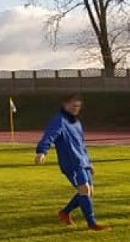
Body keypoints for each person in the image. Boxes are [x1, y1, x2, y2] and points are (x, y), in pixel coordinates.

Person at [35, 93, 107, 230]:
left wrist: (89, 161)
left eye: (78, 106)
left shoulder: (76, 123)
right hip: (71, 163)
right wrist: (42, 151)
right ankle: (92, 224)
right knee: (84, 190)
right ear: (65, 104)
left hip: (82, 161)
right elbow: (49, 135)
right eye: (73, 105)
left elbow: (81, 144)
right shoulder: (59, 120)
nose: (76, 108)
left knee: (89, 191)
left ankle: (64, 212)